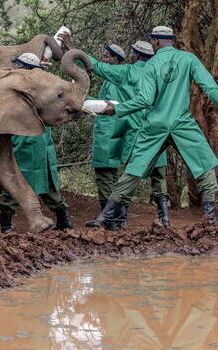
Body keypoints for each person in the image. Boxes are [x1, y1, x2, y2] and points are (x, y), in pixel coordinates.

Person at [97, 26, 218, 230]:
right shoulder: (189, 59)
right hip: (181, 122)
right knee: (205, 165)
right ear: (171, 41)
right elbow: (209, 86)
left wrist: (118, 110)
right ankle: (209, 218)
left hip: (155, 124)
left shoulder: (150, 65)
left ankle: (106, 216)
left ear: (155, 42)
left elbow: (144, 99)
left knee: (134, 169)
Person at [61, 34, 171, 226]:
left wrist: (72, 49)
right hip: (154, 129)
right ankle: (161, 218)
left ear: (135, 56)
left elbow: (96, 67)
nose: (105, 59)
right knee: (152, 173)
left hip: (117, 128)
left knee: (111, 173)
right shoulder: (161, 75)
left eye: (108, 56)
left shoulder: (125, 73)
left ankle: (112, 218)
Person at [0, 53, 73, 232]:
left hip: (26, 139)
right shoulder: (44, 89)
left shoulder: (23, 89)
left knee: (15, 180)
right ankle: (64, 220)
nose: (16, 68)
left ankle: (5, 224)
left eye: (19, 65)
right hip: (38, 140)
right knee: (45, 182)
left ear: (26, 69)